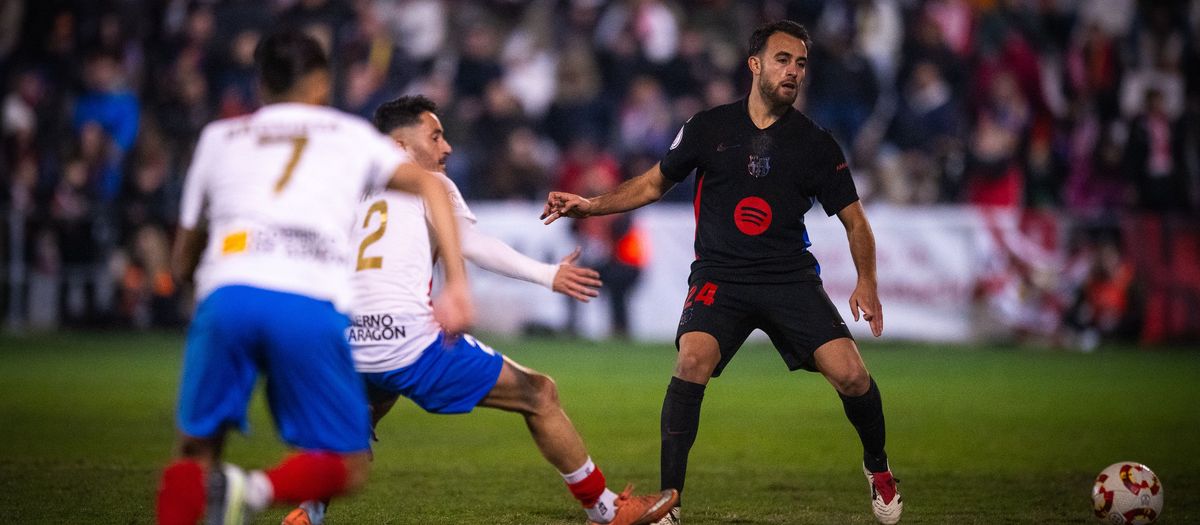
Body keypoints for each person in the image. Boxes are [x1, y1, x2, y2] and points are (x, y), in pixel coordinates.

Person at [542, 20, 903, 525]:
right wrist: (590, 206)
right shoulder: (708, 127)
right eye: (783, 59)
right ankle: (669, 503)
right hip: (721, 275)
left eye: (800, 63)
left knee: (851, 375)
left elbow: (855, 221)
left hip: (788, 277)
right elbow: (651, 185)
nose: (793, 71)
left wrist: (867, 282)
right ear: (754, 65)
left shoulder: (816, 143)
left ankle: (879, 469)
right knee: (692, 361)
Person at [282, 95, 678, 525]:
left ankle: (308, 511)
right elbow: (475, 244)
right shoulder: (427, 182)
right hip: (406, 341)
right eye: (435, 136)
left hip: (346, 342)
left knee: (372, 398)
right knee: (539, 394)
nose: (447, 147)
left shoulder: (346, 190)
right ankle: (605, 508)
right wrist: (546, 275)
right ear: (398, 147)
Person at [155, 32, 473, 525]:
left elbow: (181, 261)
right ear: (322, 83)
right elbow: (430, 186)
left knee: (194, 452)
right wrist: (456, 282)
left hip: (228, 297)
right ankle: (250, 490)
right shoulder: (349, 137)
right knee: (345, 465)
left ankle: (220, 490)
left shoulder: (219, 138)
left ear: (260, 82)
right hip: (306, 303)